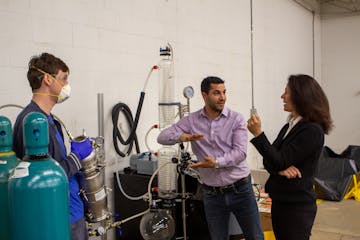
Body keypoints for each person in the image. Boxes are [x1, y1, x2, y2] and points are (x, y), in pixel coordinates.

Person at [157, 76, 264, 240]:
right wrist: (183, 136)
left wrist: (216, 163)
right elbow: (162, 137)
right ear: (204, 95)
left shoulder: (236, 119)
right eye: (216, 93)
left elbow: (240, 153)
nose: (222, 97)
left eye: (224, 92)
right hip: (212, 194)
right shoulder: (192, 121)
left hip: (240, 190)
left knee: (255, 237)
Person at [13, 53, 93, 240]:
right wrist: (75, 158)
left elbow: (56, 164)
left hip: (72, 211)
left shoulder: (49, 120)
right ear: (47, 80)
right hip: (58, 218)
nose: (67, 85)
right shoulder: (32, 123)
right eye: (63, 79)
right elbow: (43, 180)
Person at [247, 74, 333, 240]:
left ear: (301, 96)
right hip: (281, 200)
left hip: (297, 206)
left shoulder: (312, 130)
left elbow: (278, 159)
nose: (282, 96)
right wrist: (279, 170)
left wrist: (258, 134)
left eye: (286, 92)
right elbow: (270, 159)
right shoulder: (290, 125)